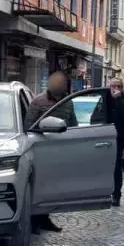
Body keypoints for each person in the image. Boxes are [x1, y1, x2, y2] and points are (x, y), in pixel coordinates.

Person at [24, 71, 73, 232]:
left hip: (60, 150)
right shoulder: (38, 102)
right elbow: (29, 126)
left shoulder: (68, 101)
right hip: (42, 148)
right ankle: (33, 220)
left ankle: (45, 218)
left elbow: (73, 124)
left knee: (53, 187)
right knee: (39, 185)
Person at [106, 78, 124, 207]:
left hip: (118, 138)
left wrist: (118, 99)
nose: (115, 88)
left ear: (122, 88)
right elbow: (96, 116)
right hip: (104, 137)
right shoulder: (105, 99)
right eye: (113, 86)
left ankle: (116, 195)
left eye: (118, 86)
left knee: (116, 167)